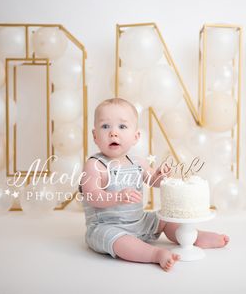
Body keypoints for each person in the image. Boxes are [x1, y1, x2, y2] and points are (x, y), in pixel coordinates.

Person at [80, 97, 229, 272]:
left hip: (140, 222)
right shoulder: (95, 165)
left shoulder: (137, 162)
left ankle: (194, 236)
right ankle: (154, 254)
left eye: (122, 126)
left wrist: (161, 175)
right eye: (105, 126)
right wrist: (117, 197)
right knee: (118, 241)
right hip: (107, 226)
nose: (113, 133)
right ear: (95, 136)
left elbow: (154, 182)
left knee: (164, 219)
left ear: (136, 137)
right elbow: (92, 196)